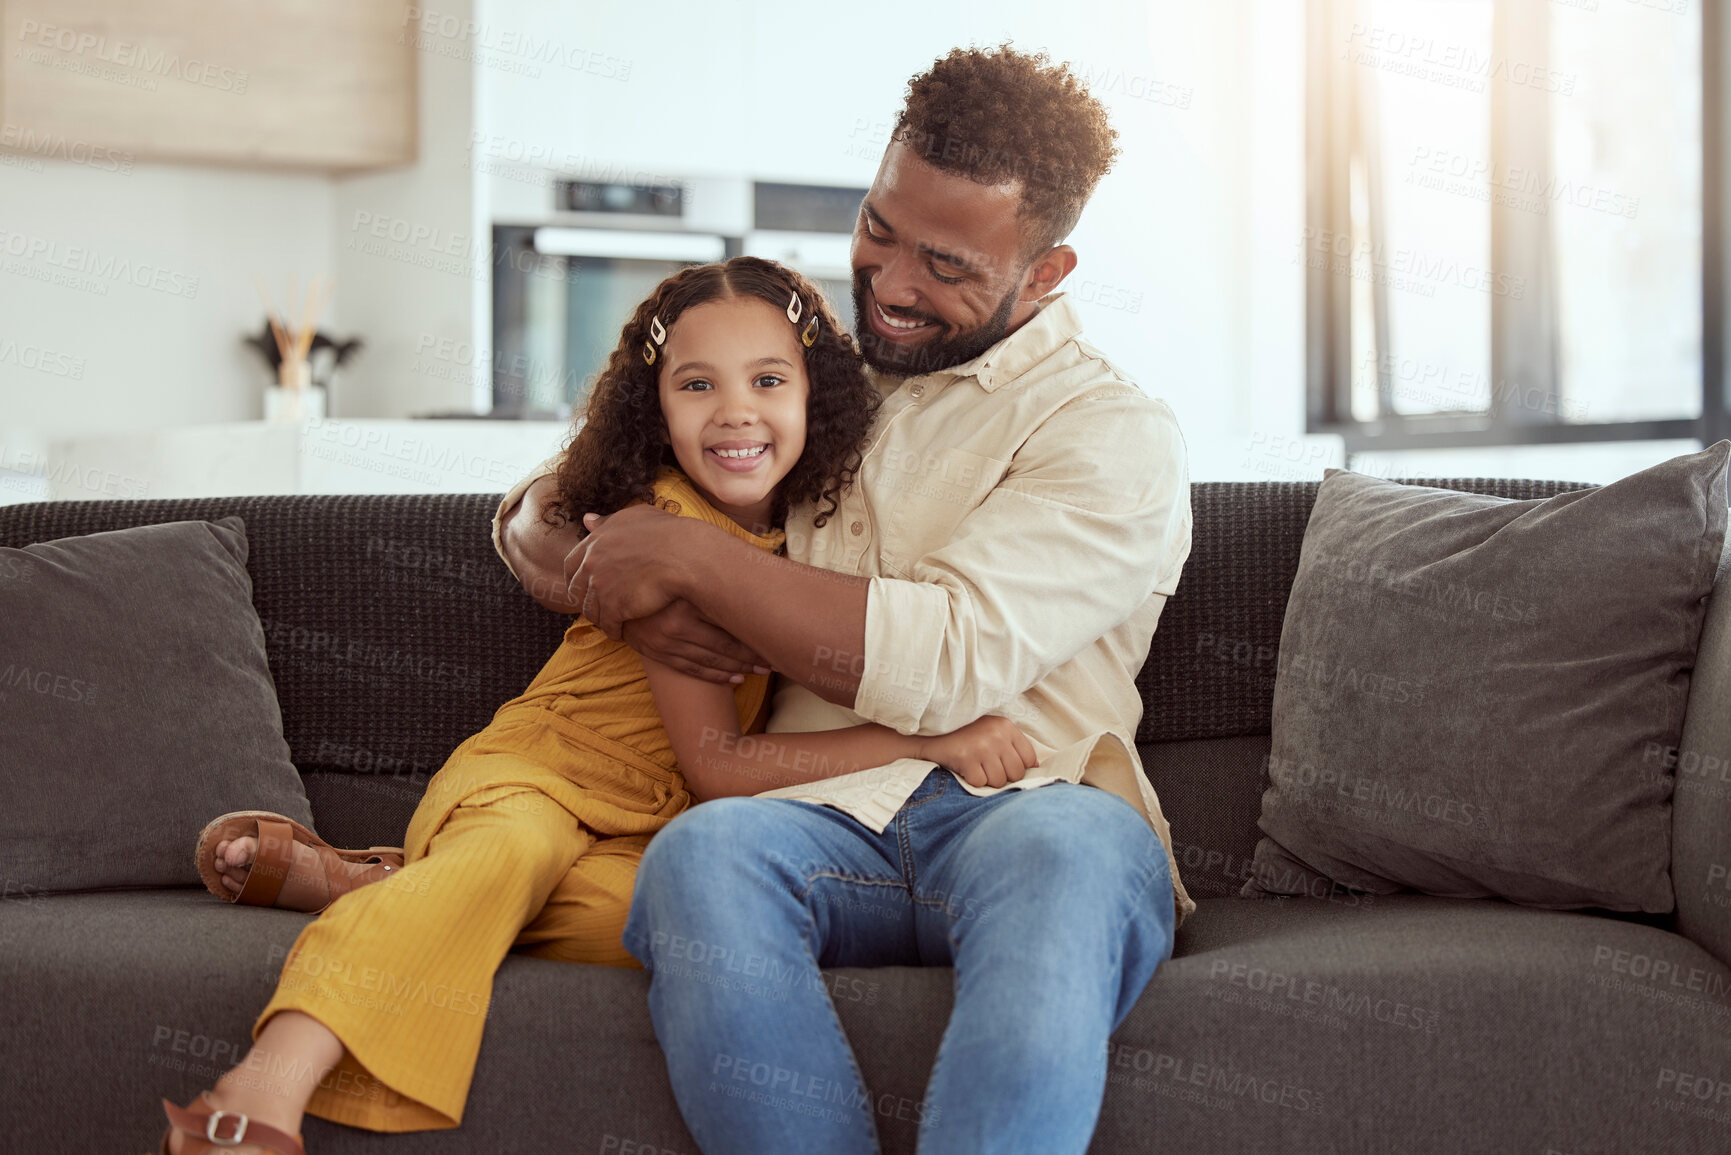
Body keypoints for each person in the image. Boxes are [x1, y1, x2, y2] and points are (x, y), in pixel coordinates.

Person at [158, 257, 1042, 1155]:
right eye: (697, 384)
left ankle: (394, 885)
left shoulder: (803, 534)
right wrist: (926, 743)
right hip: (539, 780)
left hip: (644, 833)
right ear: (653, 408)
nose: (735, 410)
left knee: (691, 928)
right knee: (512, 852)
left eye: (768, 380)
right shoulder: (663, 538)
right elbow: (721, 766)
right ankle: (261, 1086)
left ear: (819, 393)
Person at [494, 45, 1195, 1155]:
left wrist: (693, 565)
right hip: (816, 817)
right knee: (698, 858)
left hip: (1031, 807)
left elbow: (949, 658)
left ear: (1049, 270)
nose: (895, 283)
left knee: (1065, 853)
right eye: (880, 229)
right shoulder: (818, 373)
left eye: (949, 265)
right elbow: (563, 488)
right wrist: (597, 567)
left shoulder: (1108, 430)